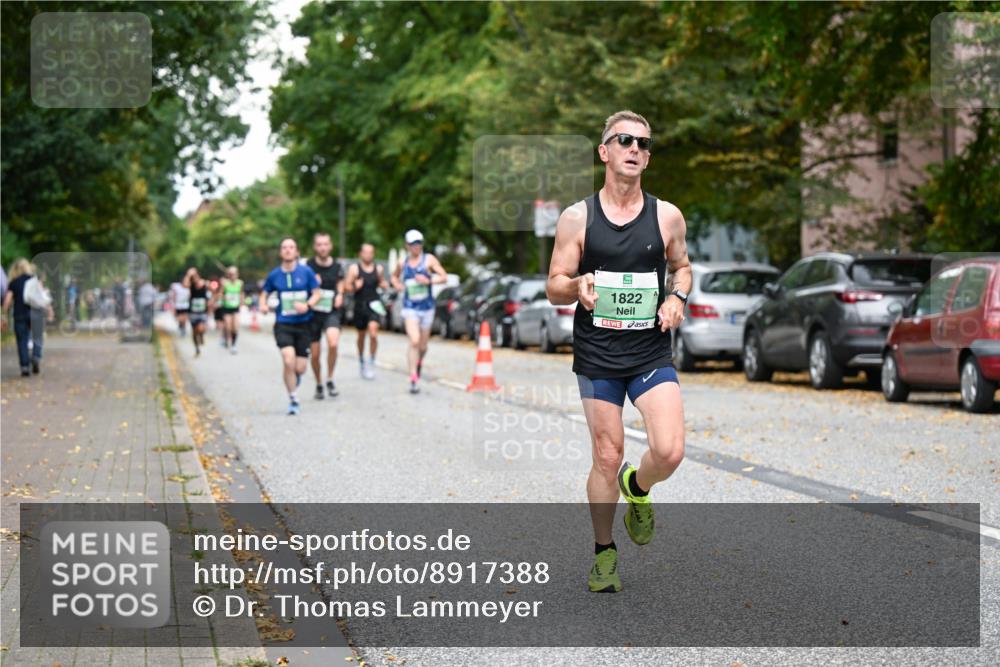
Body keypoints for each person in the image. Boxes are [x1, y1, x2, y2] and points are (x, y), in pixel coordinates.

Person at [546, 110, 691, 593]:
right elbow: (553, 286)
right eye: (625, 140)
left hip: (649, 351)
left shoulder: (667, 215)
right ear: (604, 151)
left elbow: (683, 267)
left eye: (644, 144)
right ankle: (604, 553)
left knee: (669, 451)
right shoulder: (577, 217)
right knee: (608, 456)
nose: (635, 149)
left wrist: (676, 298)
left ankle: (639, 487)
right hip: (599, 355)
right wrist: (578, 286)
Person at [259, 237, 322, 415]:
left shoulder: (306, 272)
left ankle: (294, 378)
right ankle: (293, 398)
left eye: (291, 247)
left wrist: (307, 305)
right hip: (283, 324)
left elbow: (317, 294)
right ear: (281, 252)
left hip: (304, 324)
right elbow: (264, 294)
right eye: (284, 247)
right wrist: (263, 305)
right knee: (288, 359)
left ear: (297, 252)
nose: (288, 250)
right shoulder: (274, 275)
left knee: (300, 367)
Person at [391, 230, 447, 394]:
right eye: (413, 244)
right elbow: (394, 277)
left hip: (427, 308)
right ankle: (413, 378)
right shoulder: (403, 263)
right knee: (414, 341)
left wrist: (428, 280)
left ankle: (419, 362)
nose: (416, 247)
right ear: (407, 246)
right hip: (410, 308)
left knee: (423, 346)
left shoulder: (428, 260)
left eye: (419, 243)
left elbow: (443, 277)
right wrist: (398, 285)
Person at [307, 233, 345, 399]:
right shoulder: (308, 266)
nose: (322, 247)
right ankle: (319, 383)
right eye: (319, 244)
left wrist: (340, 294)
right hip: (313, 314)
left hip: (331, 311)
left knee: (333, 342)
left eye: (325, 244)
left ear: (330, 246)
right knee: (315, 354)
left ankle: (329, 378)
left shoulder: (337, 266)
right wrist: (312, 284)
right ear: (315, 247)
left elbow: (341, 284)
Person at [345, 243, 388, 380]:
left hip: (374, 305)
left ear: (373, 254)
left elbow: (382, 282)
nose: (368, 255)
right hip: (360, 305)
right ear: (360, 254)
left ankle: (372, 360)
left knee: (373, 333)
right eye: (365, 252)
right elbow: (346, 287)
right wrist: (355, 286)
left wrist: (384, 285)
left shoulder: (378, 269)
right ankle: (362, 360)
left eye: (370, 252)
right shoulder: (354, 269)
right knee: (361, 336)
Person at [2, 259, 40, 376]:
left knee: (21, 340)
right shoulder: (33, 280)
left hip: (19, 314)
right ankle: (36, 356)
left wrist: (4, 314)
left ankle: (24, 367)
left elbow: (8, 300)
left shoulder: (14, 282)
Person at [184, 268, 210, 356]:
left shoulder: (205, 284)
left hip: (203, 311)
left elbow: (214, 291)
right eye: (192, 277)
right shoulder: (191, 285)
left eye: (195, 276)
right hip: (193, 312)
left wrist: (211, 302)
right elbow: (184, 285)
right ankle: (197, 348)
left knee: (201, 328)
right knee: (194, 332)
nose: (194, 278)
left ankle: (201, 335)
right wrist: (188, 274)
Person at [220, 266, 244, 354]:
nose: (232, 275)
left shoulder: (240, 283)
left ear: (237, 274)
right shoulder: (225, 283)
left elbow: (241, 293)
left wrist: (242, 301)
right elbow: (220, 294)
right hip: (227, 308)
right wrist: (224, 297)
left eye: (234, 274)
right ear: (228, 275)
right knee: (228, 327)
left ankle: (234, 345)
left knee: (235, 328)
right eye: (230, 274)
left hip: (236, 307)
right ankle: (225, 338)